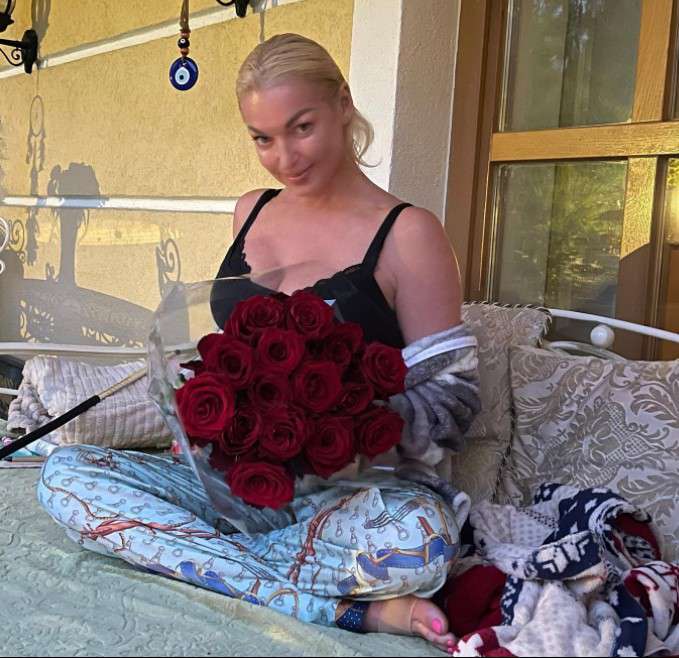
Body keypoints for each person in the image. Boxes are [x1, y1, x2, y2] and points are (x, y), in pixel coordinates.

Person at [38, 34, 479, 652]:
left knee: (422, 543)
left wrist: (337, 421)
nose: (285, 158)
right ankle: (345, 610)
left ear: (343, 104)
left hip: (353, 497)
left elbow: (454, 402)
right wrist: (200, 406)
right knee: (64, 475)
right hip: (233, 484)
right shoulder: (250, 210)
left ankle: (191, 552)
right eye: (262, 138)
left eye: (302, 128)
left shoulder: (409, 233)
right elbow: (217, 347)